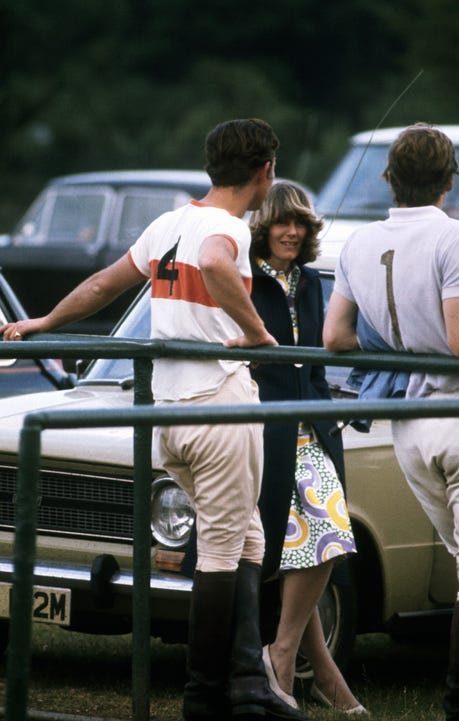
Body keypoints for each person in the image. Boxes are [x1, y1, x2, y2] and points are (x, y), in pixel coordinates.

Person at [1, 119, 307, 721]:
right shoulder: (227, 230)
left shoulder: (169, 223)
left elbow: (100, 285)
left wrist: (41, 323)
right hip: (218, 403)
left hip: (168, 411)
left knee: (248, 534)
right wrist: (257, 332)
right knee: (222, 546)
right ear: (266, 173)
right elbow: (218, 265)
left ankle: (249, 680)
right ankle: (204, 697)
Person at [323, 122, 459, 721]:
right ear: (448, 180)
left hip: (412, 427)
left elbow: (334, 337)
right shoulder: (456, 237)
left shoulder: (360, 242)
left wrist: (400, 340)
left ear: (389, 179)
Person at [248, 183, 367, 715]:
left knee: (326, 537)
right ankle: (317, 674)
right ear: (263, 226)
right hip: (266, 428)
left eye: (300, 223)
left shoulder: (314, 281)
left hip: (312, 427)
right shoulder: (246, 278)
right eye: (281, 222)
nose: (292, 232)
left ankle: (284, 657)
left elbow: (318, 362)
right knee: (314, 541)